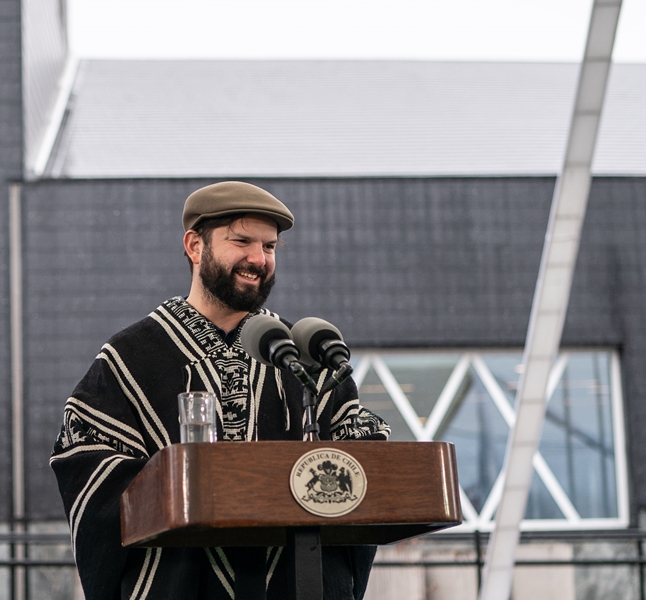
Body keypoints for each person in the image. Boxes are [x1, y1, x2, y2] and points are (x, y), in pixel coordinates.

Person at [50, 181, 391, 600]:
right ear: (195, 246)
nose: (258, 258)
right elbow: (89, 471)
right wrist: (185, 487)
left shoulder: (304, 356)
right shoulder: (131, 358)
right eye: (241, 241)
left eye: (269, 246)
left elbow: (364, 471)